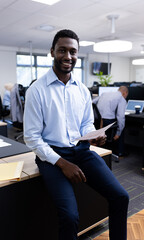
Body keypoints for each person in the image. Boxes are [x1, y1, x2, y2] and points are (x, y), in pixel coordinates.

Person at [24, 29, 129, 240]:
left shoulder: (82, 90)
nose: (68, 56)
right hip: (52, 157)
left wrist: (92, 135)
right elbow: (32, 137)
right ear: (52, 52)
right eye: (62, 50)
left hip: (81, 151)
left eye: (73, 51)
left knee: (121, 197)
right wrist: (62, 163)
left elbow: (85, 124)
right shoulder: (37, 90)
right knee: (70, 216)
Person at [93, 86, 129, 157]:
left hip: (97, 121)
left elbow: (92, 102)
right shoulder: (121, 98)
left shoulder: (104, 94)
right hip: (107, 123)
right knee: (121, 125)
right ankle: (120, 152)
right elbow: (120, 117)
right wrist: (118, 133)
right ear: (125, 93)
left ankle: (104, 149)